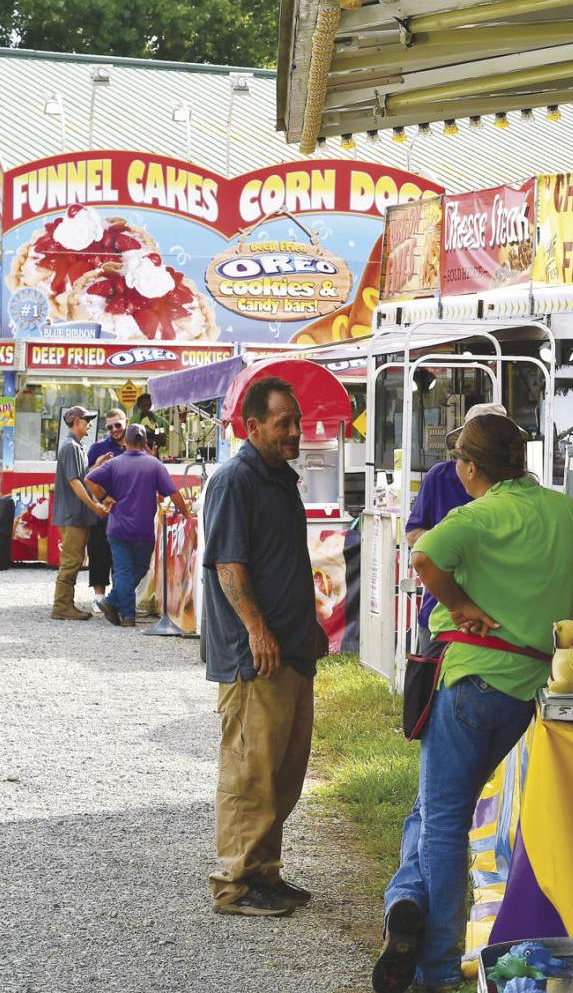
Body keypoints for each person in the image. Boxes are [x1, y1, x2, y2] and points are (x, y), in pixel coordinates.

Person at [373, 414, 573, 993]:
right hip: (524, 693)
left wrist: (461, 604)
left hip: (469, 682)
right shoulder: (565, 512)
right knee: (433, 809)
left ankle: (436, 965)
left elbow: (423, 556)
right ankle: (406, 900)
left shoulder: (476, 515)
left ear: (471, 467)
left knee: (443, 823)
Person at [202, 376, 328, 917]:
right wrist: (257, 630)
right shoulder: (235, 480)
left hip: (290, 650)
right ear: (252, 427)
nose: (296, 431)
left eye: (297, 422)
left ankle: (264, 873)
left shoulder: (280, 480)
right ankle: (235, 884)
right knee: (250, 773)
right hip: (255, 657)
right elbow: (229, 566)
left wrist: (303, 628)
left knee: (281, 774)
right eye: (284, 423)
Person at [404, 402, 512, 630]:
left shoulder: (516, 487)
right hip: (442, 610)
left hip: (500, 612)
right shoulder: (439, 477)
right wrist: (452, 542)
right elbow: (413, 536)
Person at [86, 423, 191, 627]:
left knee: (123, 571)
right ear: (145, 442)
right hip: (143, 530)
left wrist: (104, 497)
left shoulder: (114, 463)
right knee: (139, 568)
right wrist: (186, 513)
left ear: (125, 441)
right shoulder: (154, 464)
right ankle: (127, 615)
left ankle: (113, 603)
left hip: (117, 528)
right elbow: (174, 493)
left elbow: (89, 479)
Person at [50, 405, 109, 621]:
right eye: (87, 420)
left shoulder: (75, 447)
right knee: (71, 561)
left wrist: (95, 466)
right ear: (76, 422)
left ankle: (65, 604)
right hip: (73, 515)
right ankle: (62, 606)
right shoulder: (71, 447)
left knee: (74, 560)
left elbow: (81, 477)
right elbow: (75, 482)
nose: (90, 424)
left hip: (75, 515)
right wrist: (94, 506)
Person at [85, 408, 128, 611]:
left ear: (126, 422)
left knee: (124, 558)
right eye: (110, 427)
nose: (114, 429)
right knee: (99, 553)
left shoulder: (136, 445)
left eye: (118, 425)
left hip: (127, 512)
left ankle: (119, 597)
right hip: (102, 512)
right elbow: (86, 478)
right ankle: (99, 598)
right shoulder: (98, 448)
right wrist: (98, 465)